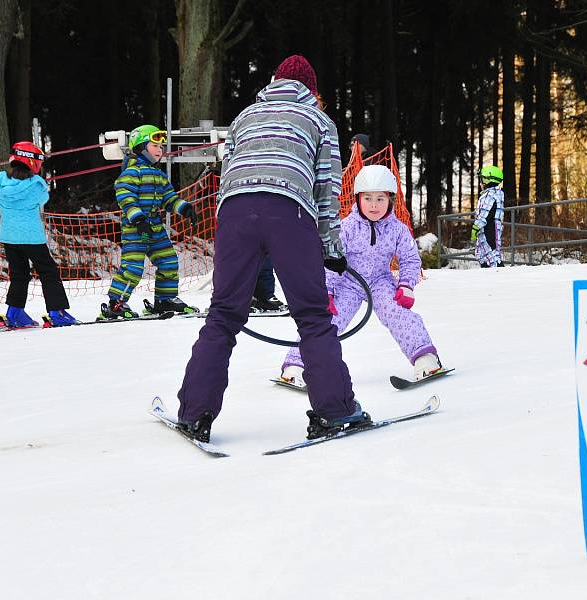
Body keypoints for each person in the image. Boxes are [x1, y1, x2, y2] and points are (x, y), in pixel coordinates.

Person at [177, 54, 370, 442]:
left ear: (272, 82)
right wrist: (330, 246)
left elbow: (228, 170)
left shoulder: (245, 116)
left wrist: (235, 228)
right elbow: (327, 190)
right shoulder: (319, 121)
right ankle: (335, 410)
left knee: (223, 314)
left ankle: (194, 413)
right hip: (290, 211)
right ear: (312, 92)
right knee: (313, 315)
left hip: (234, 211)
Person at [280, 164, 442, 386]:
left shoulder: (397, 229)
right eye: (368, 198)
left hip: (380, 282)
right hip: (348, 283)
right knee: (328, 320)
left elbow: (410, 259)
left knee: (399, 314)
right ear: (357, 199)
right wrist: (326, 291)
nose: (374, 205)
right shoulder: (346, 228)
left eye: (380, 199)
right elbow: (331, 260)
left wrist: (406, 285)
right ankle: (296, 365)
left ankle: (425, 358)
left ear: (390, 200)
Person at [102, 124, 198, 318]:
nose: (160, 149)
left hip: (155, 229)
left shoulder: (159, 175)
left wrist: (185, 208)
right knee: (133, 268)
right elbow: (125, 197)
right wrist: (138, 219)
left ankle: (165, 299)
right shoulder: (131, 173)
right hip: (136, 229)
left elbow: (169, 199)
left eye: (162, 146)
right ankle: (116, 303)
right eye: (155, 145)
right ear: (141, 146)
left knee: (169, 261)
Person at [0, 142, 77, 328]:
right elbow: (43, 198)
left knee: (19, 274)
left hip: (9, 237)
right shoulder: (36, 185)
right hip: (31, 238)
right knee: (48, 272)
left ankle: (14, 313)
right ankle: (57, 313)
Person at [472, 165, 505, 268]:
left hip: (488, 227)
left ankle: (498, 273)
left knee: (491, 251)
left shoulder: (490, 195)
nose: (481, 183)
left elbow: (485, 213)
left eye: (482, 179)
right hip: (489, 226)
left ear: (488, 179)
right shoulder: (495, 193)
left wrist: (476, 227)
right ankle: (486, 270)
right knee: (484, 252)